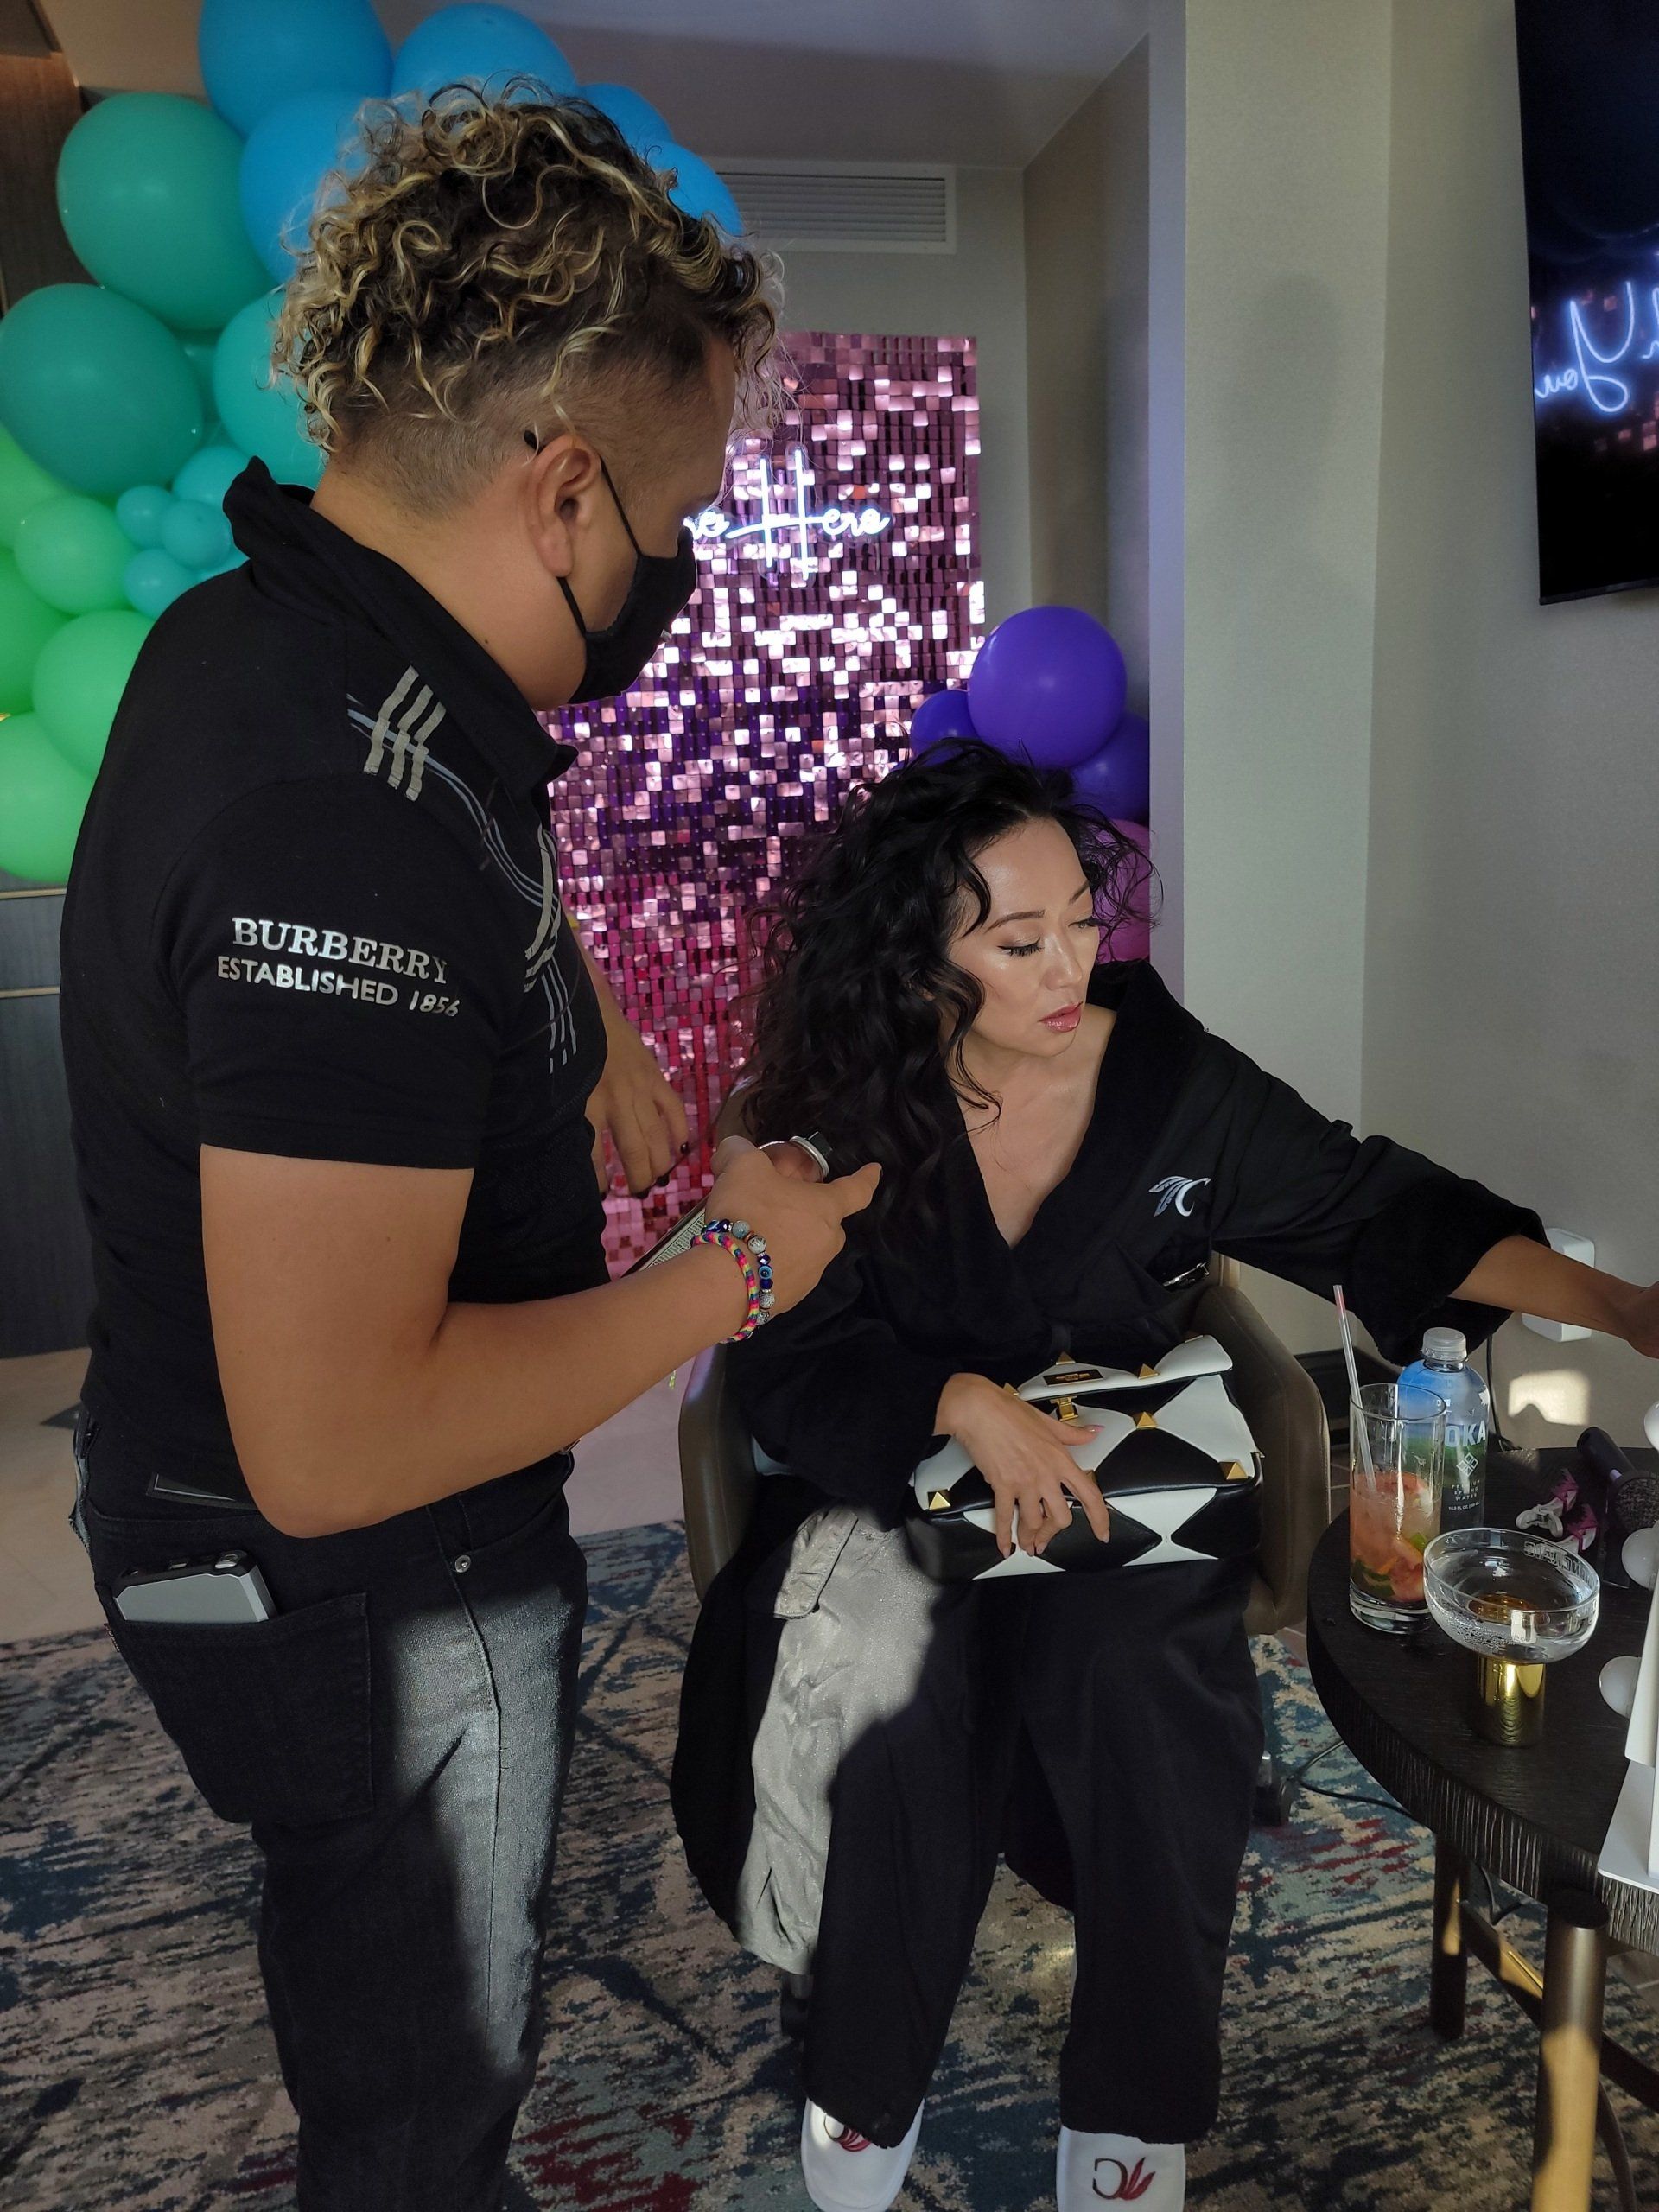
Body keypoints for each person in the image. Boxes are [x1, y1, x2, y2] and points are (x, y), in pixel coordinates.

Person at [57, 91, 877, 2212]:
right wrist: (740, 1266)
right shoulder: (331, 809)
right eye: (672, 521)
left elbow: (451, 832)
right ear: (565, 487)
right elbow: (337, 1437)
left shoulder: (289, 636)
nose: (677, 576)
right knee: (426, 2091)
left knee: (376, 1960)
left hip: (255, 1520)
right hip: (350, 1575)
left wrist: (581, 1007)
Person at [671, 739, 1659, 2212]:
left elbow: (1369, 1205)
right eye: (1019, 940)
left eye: (1082, 916)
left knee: (1145, 1675)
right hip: (896, 1482)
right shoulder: (840, 1106)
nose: (1071, 961)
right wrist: (953, 1397)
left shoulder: (1170, 1081)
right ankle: (870, 2080)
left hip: (1134, 1491)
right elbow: (788, 1358)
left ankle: (1133, 2104)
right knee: (902, 1692)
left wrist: (1630, 1313)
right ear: (915, 963)